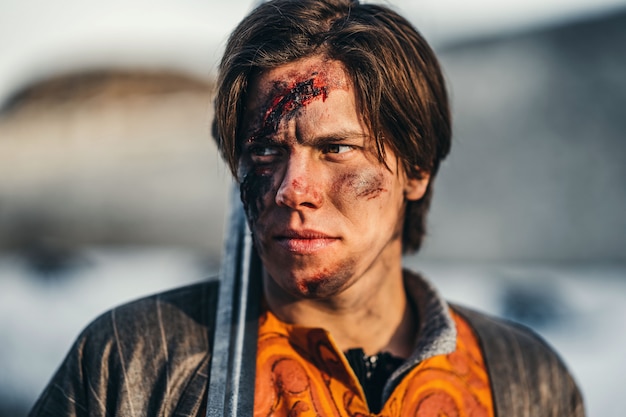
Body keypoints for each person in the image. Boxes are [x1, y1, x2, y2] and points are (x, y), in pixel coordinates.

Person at [29, 0, 584, 416]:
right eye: (265, 151)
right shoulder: (129, 364)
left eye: (336, 149)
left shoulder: (527, 384)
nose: (291, 188)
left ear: (416, 169)